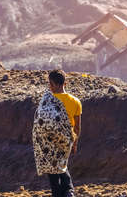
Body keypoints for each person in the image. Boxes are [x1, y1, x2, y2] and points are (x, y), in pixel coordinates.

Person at [32, 69, 82, 197]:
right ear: (65, 83)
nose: (50, 87)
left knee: (53, 170)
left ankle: (64, 192)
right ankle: (68, 191)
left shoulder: (48, 100)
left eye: (50, 84)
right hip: (66, 140)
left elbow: (40, 121)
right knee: (61, 164)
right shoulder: (75, 101)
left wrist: (40, 139)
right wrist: (75, 143)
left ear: (54, 84)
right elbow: (77, 127)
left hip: (49, 141)